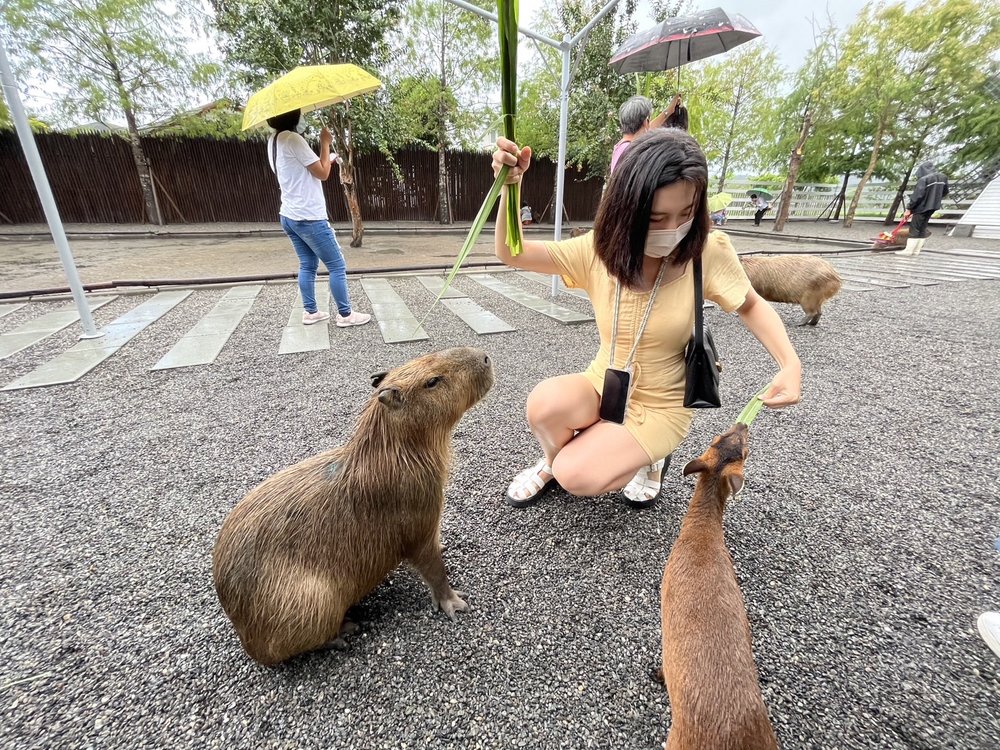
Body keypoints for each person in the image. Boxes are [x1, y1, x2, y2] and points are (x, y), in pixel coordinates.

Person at [491, 129, 802, 509]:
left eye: (685, 214)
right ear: (627, 210)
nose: (673, 230)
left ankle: (647, 457)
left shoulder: (708, 252)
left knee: (579, 474)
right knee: (543, 405)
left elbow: (751, 305)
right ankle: (554, 462)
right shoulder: (598, 251)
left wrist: (790, 364)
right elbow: (511, 252)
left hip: (662, 404)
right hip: (605, 382)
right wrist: (510, 186)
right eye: (656, 217)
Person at [266, 108, 371, 327]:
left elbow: (303, 170)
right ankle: (345, 315)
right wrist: (325, 143)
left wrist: (326, 158)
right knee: (336, 265)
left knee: (307, 264)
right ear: (294, 117)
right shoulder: (294, 139)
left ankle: (310, 312)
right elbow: (322, 173)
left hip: (289, 214)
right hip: (309, 216)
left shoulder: (274, 141)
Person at [610, 94, 683, 175]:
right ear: (646, 122)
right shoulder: (634, 152)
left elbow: (649, 128)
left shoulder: (622, 146)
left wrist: (669, 110)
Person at [896, 161, 949, 257]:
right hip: (933, 206)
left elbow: (917, 196)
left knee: (915, 228)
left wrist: (909, 209)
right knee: (922, 228)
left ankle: (909, 251)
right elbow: (945, 192)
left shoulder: (924, 180)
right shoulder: (943, 177)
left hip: (921, 207)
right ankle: (916, 251)